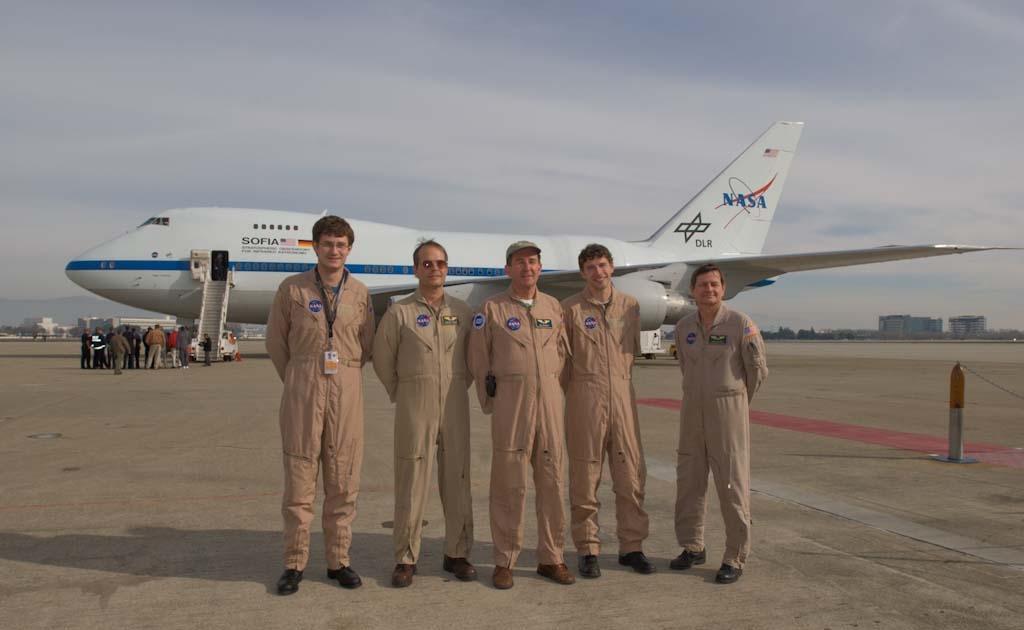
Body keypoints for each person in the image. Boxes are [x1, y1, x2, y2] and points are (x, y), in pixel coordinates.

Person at [266, 215, 375, 596]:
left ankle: (338, 561)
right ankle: (294, 563)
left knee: (343, 480)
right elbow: (276, 345)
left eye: (341, 244)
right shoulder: (292, 290)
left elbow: (367, 346)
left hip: (345, 393)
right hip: (303, 391)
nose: (334, 250)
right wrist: (301, 377)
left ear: (349, 249)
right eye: (327, 243)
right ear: (316, 246)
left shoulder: (360, 293)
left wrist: (340, 375)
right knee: (299, 479)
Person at [467, 240, 574, 590]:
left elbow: (564, 355)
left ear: (540, 268)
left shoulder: (554, 306)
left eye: (532, 262)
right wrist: (491, 402)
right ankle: (504, 560)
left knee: (552, 483)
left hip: (549, 407)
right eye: (519, 262)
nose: (527, 267)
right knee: (509, 485)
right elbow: (478, 358)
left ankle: (551, 557)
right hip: (512, 406)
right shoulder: (492, 308)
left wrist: (558, 397)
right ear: (508, 269)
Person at [372, 240, 476, 588]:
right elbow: (383, 359)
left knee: (458, 479)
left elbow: (473, 360)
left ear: (448, 269)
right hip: (415, 406)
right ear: (416, 269)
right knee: (412, 481)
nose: (435, 269)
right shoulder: (399, 313)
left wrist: (458, 384)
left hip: (455, 405)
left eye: (441, 264)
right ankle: (405, 557)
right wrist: (405, 390)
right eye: (427, 264)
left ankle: (457, 553)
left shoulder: (462, 312)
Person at [671, 263, 768, 584]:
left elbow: (756, 371)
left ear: (723, 289)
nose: (708, 290)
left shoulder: (741, 324)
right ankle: (692, 545)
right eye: (702, 285)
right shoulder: (684, 326)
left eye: (714, 284)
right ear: (693, 290)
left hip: (727, 411)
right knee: (689, 480)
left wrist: (734, 401)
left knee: (731, 484)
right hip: (692, 412)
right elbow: (686, 366)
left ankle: (735, 556)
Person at [561, 244, 653, 578]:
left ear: (612, 268)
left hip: (623, 398)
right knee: (585, 477)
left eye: (602, 265)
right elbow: (562, 361)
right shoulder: (569, 309)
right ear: (583, 272)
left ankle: (632, 547)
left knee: (630, 476)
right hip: (585, 397)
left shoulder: (630, 306)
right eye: (590, 268)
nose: (597, 273)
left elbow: (632, 354)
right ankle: (588, 549)